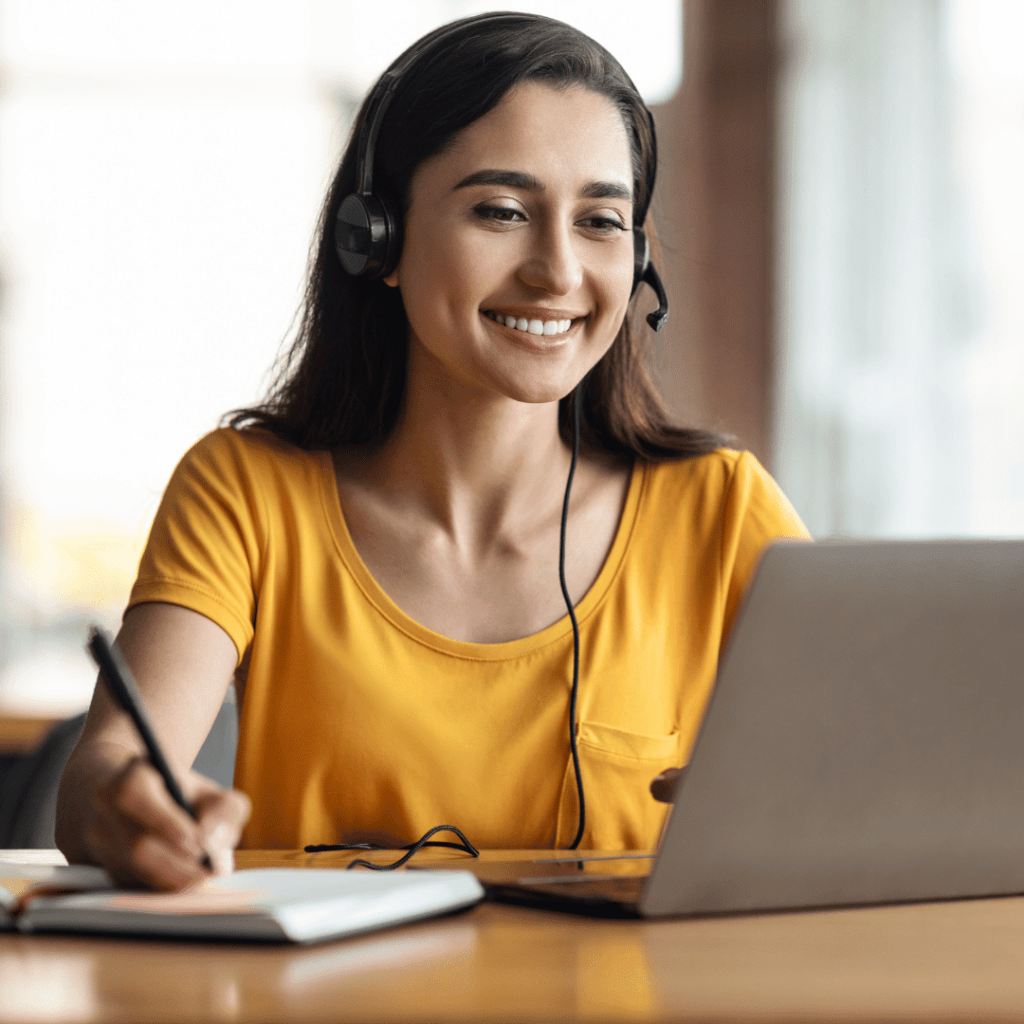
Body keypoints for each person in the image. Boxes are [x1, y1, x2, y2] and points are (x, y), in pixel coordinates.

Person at [56, 12, 809, 891]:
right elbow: (102, 773)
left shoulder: (720, 508)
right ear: (374, 238)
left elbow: (866, 768)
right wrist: (129, 802)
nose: (558, 271)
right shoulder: (247, 490)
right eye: (501, 210)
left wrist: (819, 800)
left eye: (601, 220)